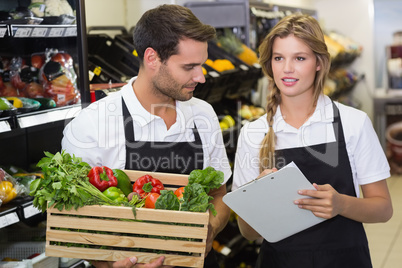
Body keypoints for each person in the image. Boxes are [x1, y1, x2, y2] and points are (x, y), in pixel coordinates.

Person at [61, 4, 232, 268]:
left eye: (202, 65)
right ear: (152, 59)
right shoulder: (92, 124)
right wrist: (107, 265)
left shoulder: (204, 114)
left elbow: (220, 194)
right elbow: (73, 220)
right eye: (189, 67)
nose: (201, 77)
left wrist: (210, 228)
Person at [231, 13, 393, 267]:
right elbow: (248, 232)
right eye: (278, 58)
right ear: (269, 64)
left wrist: (341, 204)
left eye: (299, 58)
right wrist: (259, 199)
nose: (287, 69)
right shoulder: (253, 134)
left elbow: (383, 209)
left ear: (319, 62)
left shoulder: (353, 123)